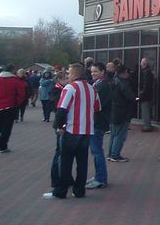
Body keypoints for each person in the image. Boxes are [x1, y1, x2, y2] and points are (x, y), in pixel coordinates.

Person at [43, 63, 100, 199]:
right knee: (82, 162)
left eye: (69, 73)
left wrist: (58, 127)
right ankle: (79, 190)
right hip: (86, 130)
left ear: (75, 74)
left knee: (66, 162)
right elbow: (97, 108)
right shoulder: (92, 88)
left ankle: (60, 191)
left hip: (71, 129)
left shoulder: (70, 88)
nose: (68, 75)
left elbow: (62, 109)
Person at [0, 64, 26, 152]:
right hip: (10, 107)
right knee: (7, 127)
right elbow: (21, 93)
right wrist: (17, 103)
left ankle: (0, 142)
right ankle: (2, 145)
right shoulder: (15, 80)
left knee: (0, 126)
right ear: (12, 70)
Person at [86, 62, 111, 190]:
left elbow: (97, 104)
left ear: (102, 72)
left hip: (98, 121)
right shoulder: (98, 84)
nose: (93, 74)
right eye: (91, 71)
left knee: (97, 151)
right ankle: (98, 176)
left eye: (95, 71)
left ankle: (100, 178)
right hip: (96, 121)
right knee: (95, 150)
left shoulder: (104, 85)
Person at [108, 65, 135, 162]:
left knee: (113, 134)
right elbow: (131, 97)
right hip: (122, 111)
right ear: (123, 73)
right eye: (127, 72)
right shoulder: (123, 84)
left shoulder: (112, 81)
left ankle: (111, 154)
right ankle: (115, 155)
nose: (128, 74)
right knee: (120, 135)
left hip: (113, 110)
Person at [137, 57, 154, 132]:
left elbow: (145, 85)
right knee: (147, 109)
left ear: (144, 64)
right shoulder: (148, 71)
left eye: (142, 63)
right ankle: (148, 125)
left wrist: (141, 93)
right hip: (149, 94)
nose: (141, 64)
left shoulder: (146, 72)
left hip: (145, 95)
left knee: (145, 110)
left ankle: (147, 126)